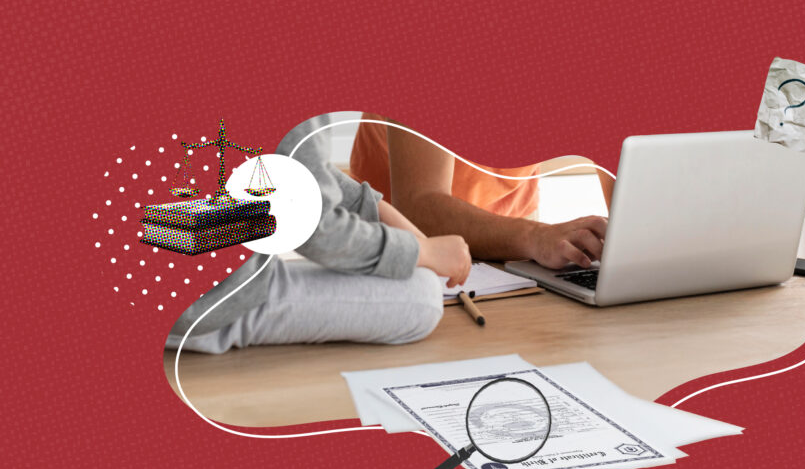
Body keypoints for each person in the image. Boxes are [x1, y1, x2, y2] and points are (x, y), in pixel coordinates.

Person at [166, 115, 471, 354]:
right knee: (423, 296)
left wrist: (373, 208)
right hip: (197, 300)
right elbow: (315, 231)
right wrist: (423, 253)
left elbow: (292, 163)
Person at [350, 113, 614, 270]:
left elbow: (633, 191)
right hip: (399, 249)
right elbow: (419, 205)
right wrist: (537, 237)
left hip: (514, 242)